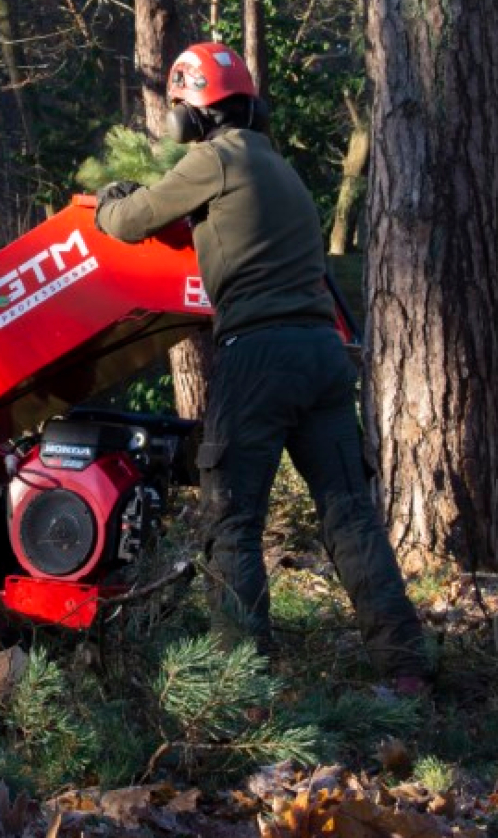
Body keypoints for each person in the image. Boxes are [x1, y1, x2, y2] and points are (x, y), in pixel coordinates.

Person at [94, 41, 427, 690]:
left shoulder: (213, 159)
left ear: (194, 113)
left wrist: (111, 200)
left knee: (231, 520)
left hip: (259, 358)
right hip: (321, 356)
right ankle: (406, 669)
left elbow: (130, 221)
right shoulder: (279, 167)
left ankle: (241, 690)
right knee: (349, 515)